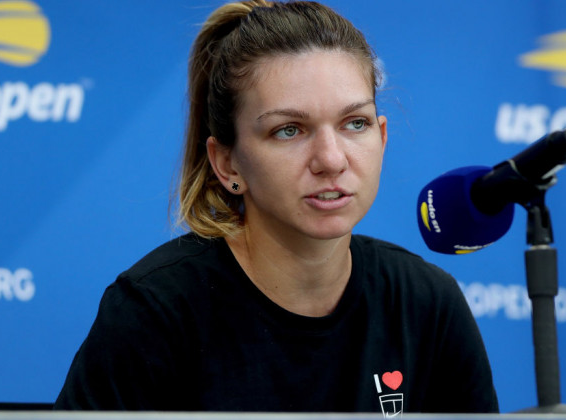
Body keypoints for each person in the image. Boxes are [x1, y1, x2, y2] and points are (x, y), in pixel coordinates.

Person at [54, 0, 499, 414]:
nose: (331, 159)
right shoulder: (154, 311)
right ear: (226, 162)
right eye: (289, 130)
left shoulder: (427, 303)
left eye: (355, 123)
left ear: (382, 137)